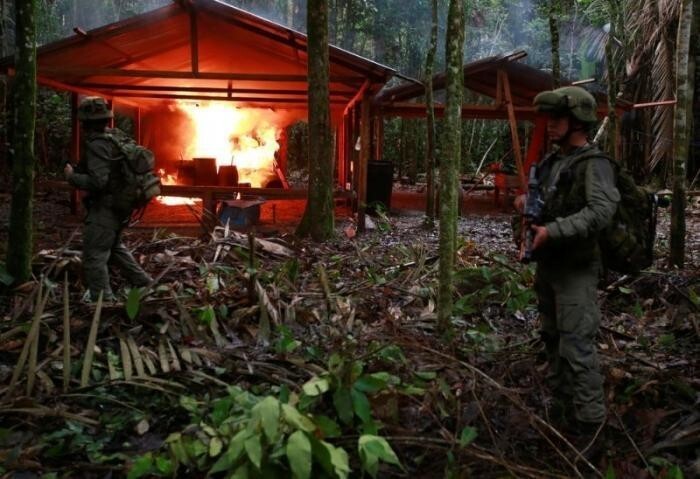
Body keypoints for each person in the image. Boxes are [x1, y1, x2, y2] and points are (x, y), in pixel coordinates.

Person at [515, 86, 620, 431]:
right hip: (550, 266)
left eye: (558, 118)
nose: (551, 125)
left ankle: (590, 424)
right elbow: (542, 206)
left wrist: (554, 231)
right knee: (553, 340)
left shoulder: (595, 164)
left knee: (577, 349)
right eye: (550, 118)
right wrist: (525, 209)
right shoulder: (552, 163)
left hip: (576, 268)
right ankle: (562, 411)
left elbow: (601, 211)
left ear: (577, 122)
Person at [64, 96, 152, 302]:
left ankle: (103, 302)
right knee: (113, 247)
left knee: (94, 256)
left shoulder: (98, 145)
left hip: (106, 208)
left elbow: (98, 182)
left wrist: (71, 177)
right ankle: (144, 282)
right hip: (121, 205)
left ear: (85, 122)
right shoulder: (115, 137)